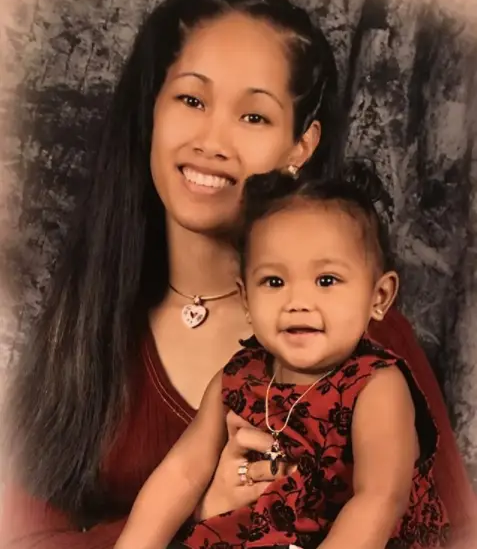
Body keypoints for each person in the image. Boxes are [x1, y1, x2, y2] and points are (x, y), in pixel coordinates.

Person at [1, 0, 473, 548]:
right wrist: (199, 515)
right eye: (191, 99)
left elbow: (451, 530)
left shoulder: (356, 330)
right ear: (152, 109)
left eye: (253, 115)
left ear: (301, 145)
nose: (211, 142)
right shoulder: (85, 324)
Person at [115, 164, 449, 549]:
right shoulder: (239, 377)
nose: (297, 303)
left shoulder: (377, 386)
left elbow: (378, 501)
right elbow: (182, 473)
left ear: (379, 297)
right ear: (246, 298)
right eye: (274, 282)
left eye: (326, 281)